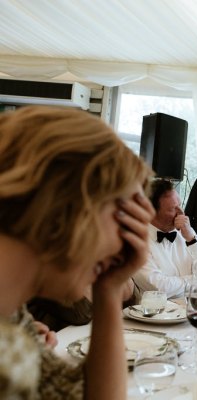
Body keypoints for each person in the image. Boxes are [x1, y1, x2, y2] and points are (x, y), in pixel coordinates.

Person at [0, 106, 155, 399]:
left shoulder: (14, 317)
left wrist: (107, 290)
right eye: (125, 217)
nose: (126, 245)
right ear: (70, 201)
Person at [134, 178, 197, 298]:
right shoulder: (136, 242)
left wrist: (192, 239)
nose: (181, 212)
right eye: (174, 208)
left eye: (180, 205)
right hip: (157, 314)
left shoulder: (185, 232)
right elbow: (159, 287)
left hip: (194, 310)